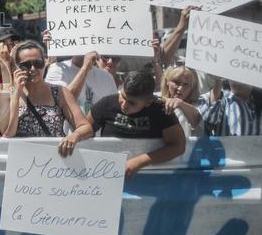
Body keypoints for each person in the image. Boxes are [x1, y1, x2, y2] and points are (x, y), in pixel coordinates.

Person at [59, 71, 187, 177]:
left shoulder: (161, 110)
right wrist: (76, 135)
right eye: (123, 97)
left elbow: (178, 146)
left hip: (149, 176)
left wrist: (140, 161)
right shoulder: (107, 103)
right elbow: (87, 128)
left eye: (132, 103)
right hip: (107, 173)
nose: (124, 105)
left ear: (148, 102)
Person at [2, 40, 86, 140]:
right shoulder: (9, 94)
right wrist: (15, 97)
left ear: (45, 63)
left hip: (54, 153)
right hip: (23, 154)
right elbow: (8, 134)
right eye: (26, 65)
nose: (33, 68)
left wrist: (75, 136)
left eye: (38, 63)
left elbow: (84, 126)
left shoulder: (60, 92)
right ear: (17, 68)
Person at [198, 77, 262, 137]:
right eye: (235, 76)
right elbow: (209, 118)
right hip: (228, 167)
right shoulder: (222, 99)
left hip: (259, 165)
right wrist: (217, 82)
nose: (239, 81)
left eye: (244, 75)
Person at [44, 50, 118, 117]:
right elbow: (61, 102)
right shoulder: (57, 69)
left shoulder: (107, 77)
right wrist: (85, 68)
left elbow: (114, 112)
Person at [160, 65, 203, 137]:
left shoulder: (200, 104)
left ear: (192, 86)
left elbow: (197, 120)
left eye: (186, 84)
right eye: (176, 82)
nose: (180, 88)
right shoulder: (155, 99)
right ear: (167, 81)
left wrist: (181, 104)